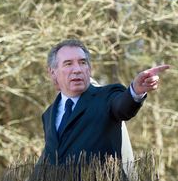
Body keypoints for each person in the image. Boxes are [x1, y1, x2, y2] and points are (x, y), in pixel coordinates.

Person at [40, 39, 169, 165]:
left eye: (82, 62)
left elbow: (122, 106)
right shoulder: (48, 115)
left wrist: (135, 91)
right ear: (53, 73)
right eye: (68, 64)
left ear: (89, 69)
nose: (77, 69)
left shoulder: (107, 97)